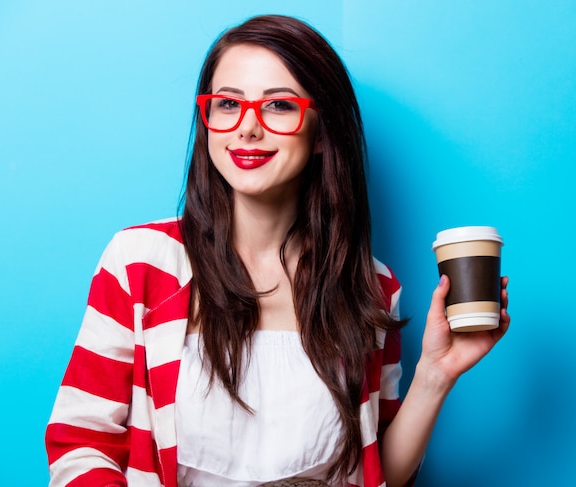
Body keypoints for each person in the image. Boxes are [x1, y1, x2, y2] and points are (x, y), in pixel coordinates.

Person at [45, 14, 510, 487]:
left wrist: (436, 373)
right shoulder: (140, 261)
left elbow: (376, 472)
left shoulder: (371, 286)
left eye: (279, 106)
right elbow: (79, 443)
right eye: (228, 104)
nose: (247, 128)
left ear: (323, 134)